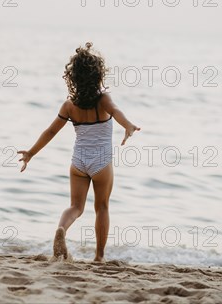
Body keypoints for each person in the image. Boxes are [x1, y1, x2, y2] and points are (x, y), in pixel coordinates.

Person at [17, 42, 140, 262]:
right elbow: (117, 111)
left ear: (72, 77)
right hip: (101, 163)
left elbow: (51, 131)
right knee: (101, 207)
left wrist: (31, 153)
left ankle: (62, 229)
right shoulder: (103, 99)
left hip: (78, 162)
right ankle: (99, 257)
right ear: (98, 74)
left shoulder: (69, 105)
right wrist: (128, 125)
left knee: (75, 206)